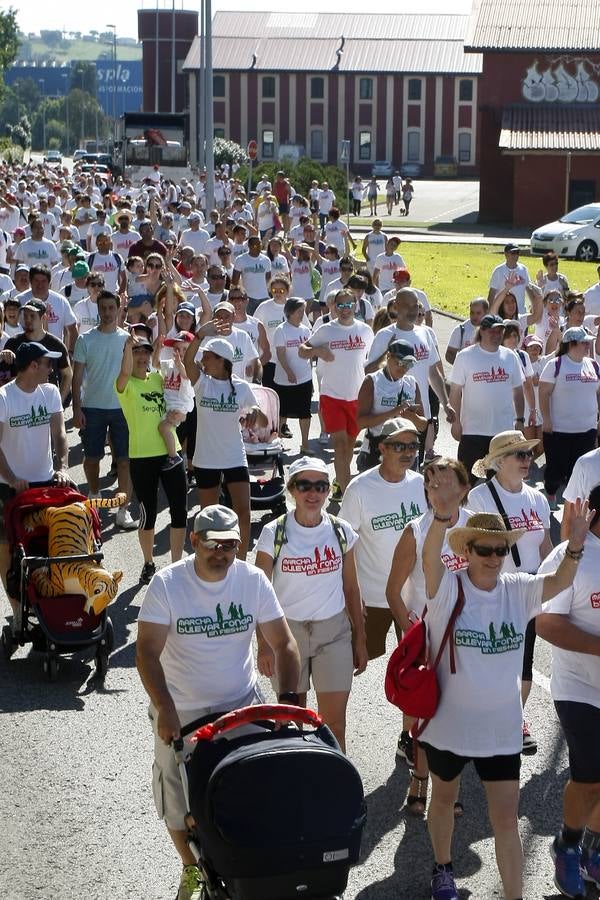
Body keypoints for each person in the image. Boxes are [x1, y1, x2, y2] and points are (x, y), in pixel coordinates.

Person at [421, 466, 592, 900]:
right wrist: (442, 519)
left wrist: (574, 547)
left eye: (500, 549)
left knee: (506, 820)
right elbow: (428, 562)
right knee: (443, 799)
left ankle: (513, 895)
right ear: (468, 550)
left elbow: (556, 582)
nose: (494, 556)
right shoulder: (448, 590)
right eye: (484, 549)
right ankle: (443, 869)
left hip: (501, 730)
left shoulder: (517, 589)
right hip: (449, 725)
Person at [136, 503, 300, 900]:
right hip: (182, 710)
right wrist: (167, 710)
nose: (222, 553)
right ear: (194, 542)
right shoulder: (168, 584)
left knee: (254, 789)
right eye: (213, 545)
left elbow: (285, 644)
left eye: (230, 545)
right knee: (177, 800)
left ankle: (248, 861)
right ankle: (191, 868)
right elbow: (146, 653)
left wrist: (288, 702)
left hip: (241, 703)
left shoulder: (252, 579)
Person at [254, 457, 367, 752]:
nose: (313, 493)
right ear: (292, 489)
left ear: (329, 491)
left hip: (333, 634)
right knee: (291, 723)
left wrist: (361, 639)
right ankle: (298, 790)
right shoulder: (274, 532)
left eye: (321, 486)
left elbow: (352, 589)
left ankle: (337, 790)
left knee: (334, 726)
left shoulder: (341, 531)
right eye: (305, 485)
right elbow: (259, 593)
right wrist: (264, 645)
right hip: (286, 637)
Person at [386, 457, 470, 812]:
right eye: (432, 484)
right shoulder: (415, 531)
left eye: (447, 482)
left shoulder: (476, 527)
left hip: (464, 638)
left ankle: (448, 792)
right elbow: (393, 590)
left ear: (464, 488)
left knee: (456, 714)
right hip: (425, 638)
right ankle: (418, 782)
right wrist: (411, 635)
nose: (439, 490)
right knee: (421, 715)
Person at [468, 431, 553, 755]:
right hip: (492, 590)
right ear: (499, 462)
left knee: (524, 659)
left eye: (529, 455)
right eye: (520, 455)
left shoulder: (537, 499)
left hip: (528, 588)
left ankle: (513, 721)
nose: (527, 460)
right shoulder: (480, 499)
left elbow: (545, 548)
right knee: (490, 657)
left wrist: (550, 588)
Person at [536, 483, 600, 899]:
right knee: (590, 777)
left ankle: (594, 852)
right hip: (580, 688)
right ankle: (568, 844)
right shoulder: (570, 558)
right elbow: (545, 623)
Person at [340, 417, 426, 676]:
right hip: (371, 598)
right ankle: (332, 716)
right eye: (399, 446)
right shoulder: (360, 489)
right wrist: (350, 597)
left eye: (413, 446)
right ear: (382, 448)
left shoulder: (421, 484)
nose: (408, 452)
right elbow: (344, 544)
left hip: (411, 598)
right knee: (351, 662)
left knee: (417, 670)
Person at [0, 341, 70, 626]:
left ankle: (49, 606)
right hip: (9, 485)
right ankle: (17, 611)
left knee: (48, 547)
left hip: (44, 483)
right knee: (6, 547)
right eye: (47, 363)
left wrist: (63, 467)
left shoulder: (50, 392)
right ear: (33, 366)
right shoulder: (4, 397)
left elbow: (60, 433)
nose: (51, 368)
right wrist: (12, 478)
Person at [183, 336, 267, 559]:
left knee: (243, 513)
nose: (202, 360)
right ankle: (208, 559)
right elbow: (187, 359)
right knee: (209, 517)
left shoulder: (241, 387)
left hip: (234, 457)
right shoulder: (202, 382)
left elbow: (265, 421)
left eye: (207, 357)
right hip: (206, 458)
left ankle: (241, 562)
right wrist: (201, 334)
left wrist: (256, 413)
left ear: (222, 360)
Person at [116, 334, 188, 583]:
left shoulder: (158, 378)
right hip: (142, 457)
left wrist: (180, 415)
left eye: (145, 352)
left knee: (180, 510)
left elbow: (179, 398)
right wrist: (127, 345)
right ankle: (148, 562)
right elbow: (125, 373)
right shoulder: (125, 385)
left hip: (171, 452)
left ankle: (177, 565)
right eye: (136, 352)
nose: (142, 356)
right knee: (149, 514)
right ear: (128, 355)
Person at [299, 289, 373, 499]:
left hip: (358, 398)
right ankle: (348, 497)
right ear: (334, 307)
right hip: (332, 396)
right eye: (340, 305)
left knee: (349, 446)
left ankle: (340, 481)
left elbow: (373, 360)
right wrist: (317, 351)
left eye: (349, 305)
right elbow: (302, 350)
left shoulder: (366, 331)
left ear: (356, 306)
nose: (345, 309)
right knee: (339, 445)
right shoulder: (326, 330)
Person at [72, 291, 137, 529]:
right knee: (92, 457)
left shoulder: (127, 339)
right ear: (97, 309)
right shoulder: (85, 339)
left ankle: (123, 508)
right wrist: (77, 408)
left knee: (124, 461)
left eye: (111, 307)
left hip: (122, 409)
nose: (107, 312)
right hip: (92, 407)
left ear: (119, 309)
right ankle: (94, 495)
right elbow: (77, 377)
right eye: (103, 308)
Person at [448, 314, 524, 482]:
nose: (497, 335)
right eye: (492, 331)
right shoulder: (465, 356)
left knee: (501, 482)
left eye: (500, 331)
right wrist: (455, 423)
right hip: (472, 432)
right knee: (466, 481)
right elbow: (455, 392)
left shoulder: (510, 356)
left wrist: (520, 419)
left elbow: (518, 391)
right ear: (481, 331)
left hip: (503, 434)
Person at [539, 326, 600, 510]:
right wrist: (546, 419)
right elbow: (543, 393)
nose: (588, 346)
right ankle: (550, 492)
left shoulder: (593, 365)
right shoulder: (556, 365)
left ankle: (576, 508)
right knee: (555, 473)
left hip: (587, 430)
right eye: (584, 342)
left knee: (580, 472)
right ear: (571, 344)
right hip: (559, 430)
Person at [356, 339, 425, 471]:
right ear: (388, 356)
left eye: (408, 364)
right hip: (377, 449)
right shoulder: (372, 381)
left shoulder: (411, 383)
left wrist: (411, 417)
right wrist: (393, 413)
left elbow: (422, 425)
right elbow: (359, 423)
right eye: (400, 362)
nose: (403, 367)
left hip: (406, 451)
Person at [273, 298, 313, 452]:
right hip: (284, 379)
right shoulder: (281, 330)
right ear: (289, 312)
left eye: (303, 310)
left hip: (305, 378)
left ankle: (305, 444)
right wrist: (289, 371)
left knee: (305, 412)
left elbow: (310, 350)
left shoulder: (305, 329)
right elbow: (281, 354)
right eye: (299, 311)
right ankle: (279, 443)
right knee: (283, 412)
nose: (302, 314)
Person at [155, 332, 195, 471]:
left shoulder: (191, 365)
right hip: (168, 405)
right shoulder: (169, 364)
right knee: (163, 429)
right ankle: (173, 455)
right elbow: (155, 364)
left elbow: (186, 375)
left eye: (185, 349)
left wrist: (180, 364)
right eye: (177, 349)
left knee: (163, 428)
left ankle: (174, 456)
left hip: (180, 405)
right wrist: (159, 349)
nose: (181, 352)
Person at [487, 243, 530, 314]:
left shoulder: (523, 269)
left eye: (517, 253)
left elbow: (529, 289)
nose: (516, 255)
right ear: (506, 254)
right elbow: (492, 293)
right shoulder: (498, 271)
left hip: (520, 313)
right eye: (513, 253)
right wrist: (489, 313)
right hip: (502, 314)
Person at [445, 298, 490, 365]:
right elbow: (449, 354)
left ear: (486, 312)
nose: (474, 316)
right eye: (472, 312)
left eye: (478, 313)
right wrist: (461, 366)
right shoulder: (460, 330)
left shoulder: (492, 329)